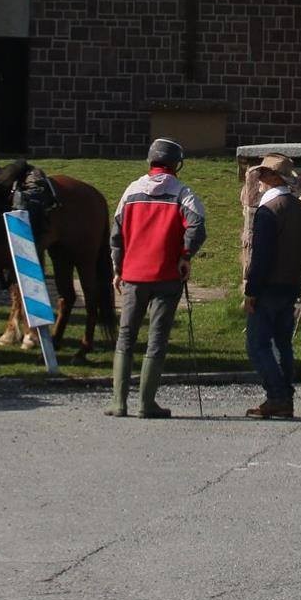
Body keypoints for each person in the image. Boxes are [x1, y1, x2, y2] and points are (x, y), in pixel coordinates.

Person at [108, 137, 208, 419]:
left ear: (150, 161)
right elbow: (197, 226)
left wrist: (118, 268)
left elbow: (116, 234)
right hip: (167, 275)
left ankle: (119, 402)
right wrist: (185, 255)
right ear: (177, 164)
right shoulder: (182, 192)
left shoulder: (131, 190)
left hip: (133, 275)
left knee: (126, 336)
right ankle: (146, 403)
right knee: (157, 338)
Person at [242, 154, 301, 419]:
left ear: (274, 178)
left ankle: (277, 397)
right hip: (291, 285)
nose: (259, 179)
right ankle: (286, 397)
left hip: (268, 286)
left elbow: (261, 256)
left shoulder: (269, 210)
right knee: (283, 344)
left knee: (257, 344)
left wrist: (251, 292)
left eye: (264, 174)